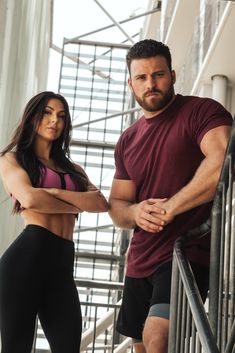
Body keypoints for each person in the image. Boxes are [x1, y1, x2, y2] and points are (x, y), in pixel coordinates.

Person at [108, 39, 233, 353]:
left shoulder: (201, 111)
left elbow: (222, 160)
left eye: (158, 74)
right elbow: (117, 206)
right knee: (142, 346)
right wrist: (136, 213)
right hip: (139, 261)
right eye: (141, 77)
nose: (151, 84)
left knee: (158, 338)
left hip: (185, 251)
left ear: (173, 75)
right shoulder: (127, 140)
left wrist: (172, 207)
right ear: (131, 83)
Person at [0, 91, 109, 353]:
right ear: (33, 117)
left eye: (61, 116)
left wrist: (57, 193)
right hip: (26, 260)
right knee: (16, 348)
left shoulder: (73, 169)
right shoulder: (12, 159)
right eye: (47, 113)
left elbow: (101, 203)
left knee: (69, 346)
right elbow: (30, 198)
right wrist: (76, 203)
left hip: (61, 264)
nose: (54, 120)